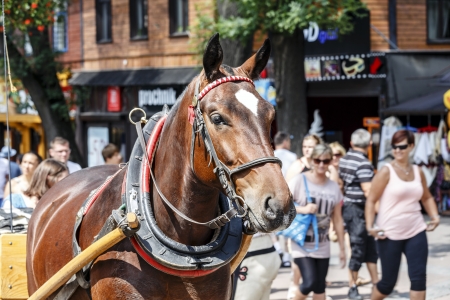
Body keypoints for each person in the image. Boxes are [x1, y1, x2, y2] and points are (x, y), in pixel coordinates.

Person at [365, 130, 439, 300]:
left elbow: (426, 197)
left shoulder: (417, 171)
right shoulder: (386, 171)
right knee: (387, 284)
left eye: (402, 146)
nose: (397, 150)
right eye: (394, 147)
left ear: (411, 146)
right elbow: (371, 200)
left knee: (419, 280)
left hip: (416, 230)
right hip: (390, 233)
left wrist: (434, 216)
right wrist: (370, 226)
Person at [288, 144, 346, 300]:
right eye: (317, 160)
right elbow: (284, 207)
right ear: (312, 160)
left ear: (330, 162)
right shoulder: (299, 180)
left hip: (323, 243)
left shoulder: (334, 187)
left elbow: (338, 220)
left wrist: (342, 248)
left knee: (320, 287)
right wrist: (304, 209)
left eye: (325, 161)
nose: (321, 164)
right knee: (309, 282)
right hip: (301, 241)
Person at [339, 129, 378, 300]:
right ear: (369, 144)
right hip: (358, 210)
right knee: (359, 248)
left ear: (352, 143)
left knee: (368, 247)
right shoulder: (363, 163)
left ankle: (376, 284)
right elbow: (368, 190)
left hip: (350, 207)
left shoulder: (345, 159)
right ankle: (352, 287)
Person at [273, 131, 297, 268]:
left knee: (273, 225)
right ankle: (287, 256)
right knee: (287, 224)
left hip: (274, 193)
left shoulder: (271, 155)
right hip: (288, 192)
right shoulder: (292, 157)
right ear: (286, 142)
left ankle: (278, 249)